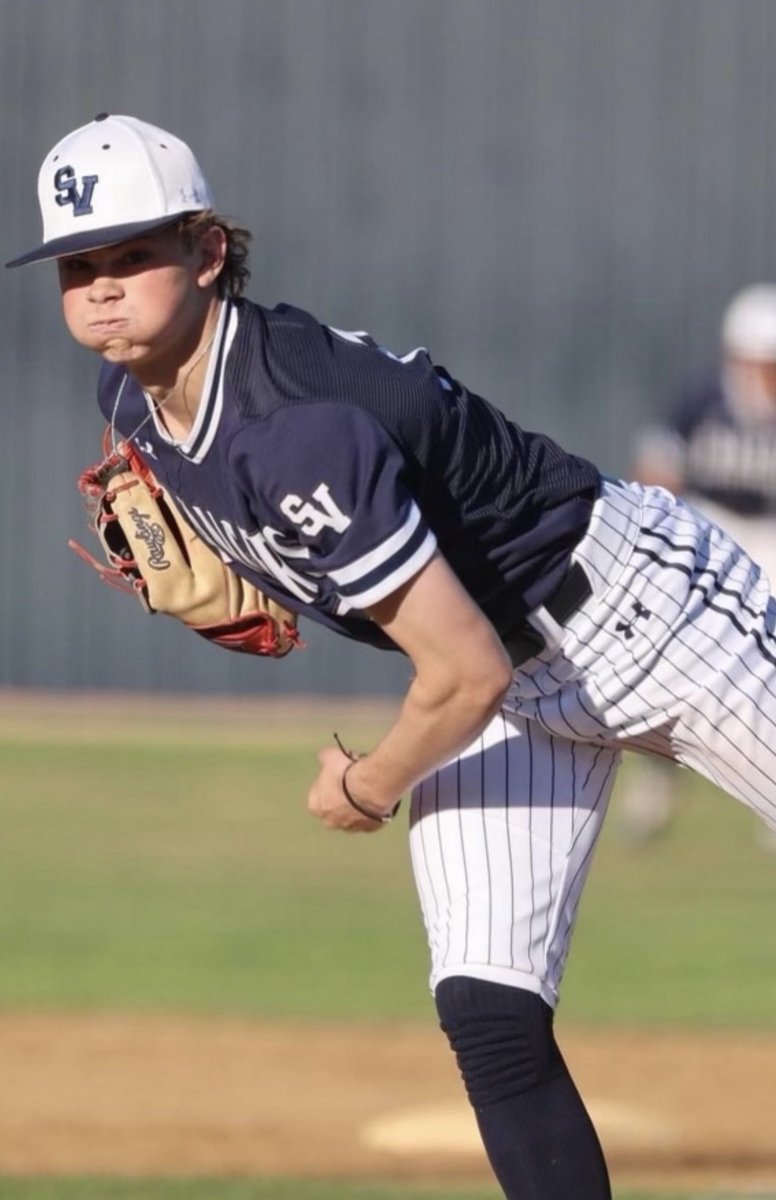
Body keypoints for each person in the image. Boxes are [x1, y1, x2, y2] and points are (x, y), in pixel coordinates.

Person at [7, 113, 776, 1200]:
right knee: (488, 1012)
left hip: (644, 614)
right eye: (78, 264)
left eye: (133, 254)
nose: (101, 285)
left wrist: (364, 787)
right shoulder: (129, 397)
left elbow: (464, 675)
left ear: (209, 250)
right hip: (516, 679)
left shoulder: (296, 426)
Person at [617, 285, 776, 846]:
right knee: (670, 654)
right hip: (713, 527)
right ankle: (657, 775)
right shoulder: (703, 400)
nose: (768, 376)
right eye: (762, 363)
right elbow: (655, 471)